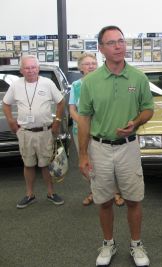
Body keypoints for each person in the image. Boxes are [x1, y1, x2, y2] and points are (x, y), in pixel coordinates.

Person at [78, 25, 154, 267]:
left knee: (133, 199)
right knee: (103, 201)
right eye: (111, 43)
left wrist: (136, 122)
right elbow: (84, 119)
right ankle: (108, 243)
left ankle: (136, 244)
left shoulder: (138, 78)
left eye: (121, 41)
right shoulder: (91, 82)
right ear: (101, 49)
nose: (119, 46)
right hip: (99, 148)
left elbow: (148, 109)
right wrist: (82, 155)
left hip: (128, 147)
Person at [2, 55, 65, 209]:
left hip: (45, 132)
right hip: (25, 133)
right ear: (21, 70)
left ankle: (51, 193)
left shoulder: (47, 83)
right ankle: (30, 195)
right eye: (27, 68)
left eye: (33, 67)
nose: (30, 71)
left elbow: (61, 102)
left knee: (45, 165)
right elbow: (6, 104)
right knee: (28, 164)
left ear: (38, 68)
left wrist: (57, 121)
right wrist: (11, 121)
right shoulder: (16, 85)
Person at [69, 52, 125, 207]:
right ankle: (94, 191)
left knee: (108, 163)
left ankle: (115, 192)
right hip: (80, 131)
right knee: (88, 162)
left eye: (93, 63)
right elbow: (72, 109)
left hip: (101, 131)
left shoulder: (104, 83)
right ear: (80, 68)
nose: (90, 66)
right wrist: (83, 122)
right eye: (87, 64)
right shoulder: (76, 86)